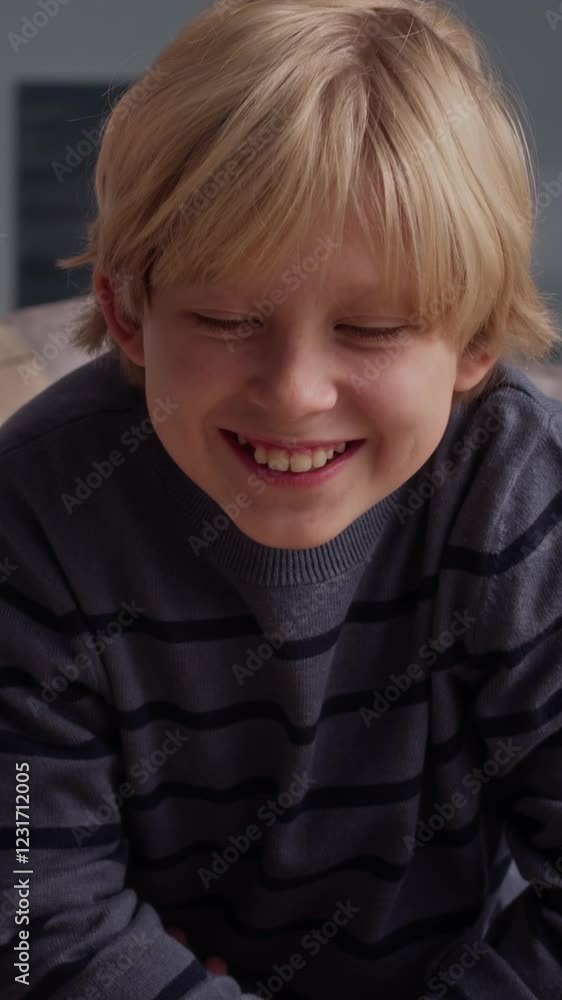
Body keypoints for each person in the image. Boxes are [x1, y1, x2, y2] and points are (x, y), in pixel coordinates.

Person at [1, 0, 561, 997]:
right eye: (225, 317)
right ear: (128, 313)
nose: (296, 391)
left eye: (375, 328)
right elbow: (33, 914)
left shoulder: (519, 487)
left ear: (476, 341)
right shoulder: (37, 512)